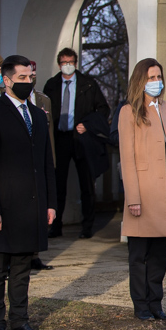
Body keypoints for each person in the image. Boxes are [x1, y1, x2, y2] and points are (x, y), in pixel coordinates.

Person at [0, 55, 57, 330]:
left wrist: (49, 203)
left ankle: (20, 322)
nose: (28, 82)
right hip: (3, 207)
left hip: (31, 206)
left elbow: (46, 163)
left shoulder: (37, 115)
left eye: (30, 77)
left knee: (23, 267)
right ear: (7, 80)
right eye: (22, 78)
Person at [118, 58, 166, 321]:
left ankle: (156, 302)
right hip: (143, 195)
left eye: (158, 77)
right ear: (140, 81)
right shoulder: (129, 112)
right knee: (139, 255)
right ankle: (141, 305)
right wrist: (132, 198)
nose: (156, 82)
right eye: (150, 78)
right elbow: (128, 158)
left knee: (160, 253)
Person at [43, 48, 109, 238]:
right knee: (57, 184)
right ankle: (55, 226)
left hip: (82, 139)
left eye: (71, 62)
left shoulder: (88, 84)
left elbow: (103, 109)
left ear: (76, 63)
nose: (68, 65)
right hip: (60, 138)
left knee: (87, 184)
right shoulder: (52, 85)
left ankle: (87, 226)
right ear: (59, 64)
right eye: (64, 62)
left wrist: (87, 125)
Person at [28, 60, 55, 272]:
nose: (31, 77)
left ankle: (35, 254)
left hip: (40, 161)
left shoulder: (43, 100)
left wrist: (51, 159)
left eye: (34, 73)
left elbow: (49, 134)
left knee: (40, 210)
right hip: (22, 162)